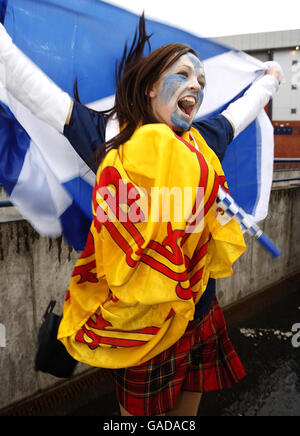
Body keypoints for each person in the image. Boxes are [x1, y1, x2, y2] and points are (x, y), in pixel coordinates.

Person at [0, 15, 282, 417]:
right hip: (139, 322)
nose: (197, 86)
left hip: (199, 307)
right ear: (151, 88)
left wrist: (271, 78)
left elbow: (243, 110)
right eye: (183, 74)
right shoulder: (111, 138)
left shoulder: (201, 143)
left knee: (191, 400)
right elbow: (35, 91)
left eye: (201, 80)